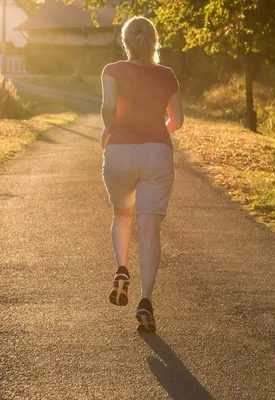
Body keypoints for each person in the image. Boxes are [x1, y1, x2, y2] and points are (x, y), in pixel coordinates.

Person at [100, 16, 184, 332]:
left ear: (125, 42)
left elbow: (109, 109)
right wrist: (156, 130)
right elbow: (177, 119)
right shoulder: (167, 75)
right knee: (150, 228)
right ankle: (145, 300)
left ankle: (122, 269)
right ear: (154, 41)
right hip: (157, 153)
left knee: (122, 214)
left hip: (119, 150)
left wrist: (110, 128)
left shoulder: (112, 71)